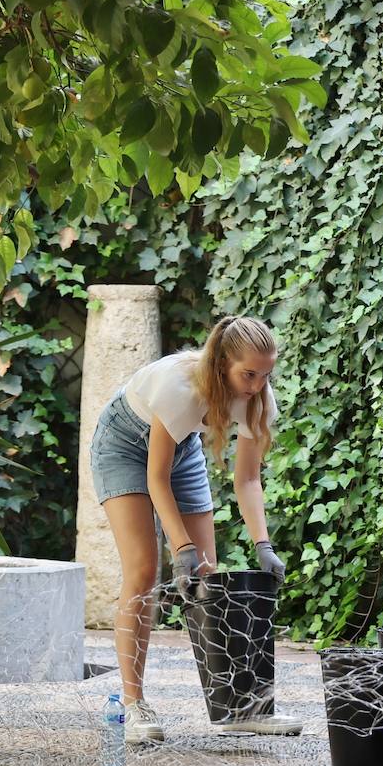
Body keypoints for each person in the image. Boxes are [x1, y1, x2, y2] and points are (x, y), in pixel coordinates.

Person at [89, 315, 302, 742]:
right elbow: (155, 480)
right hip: (123, 446)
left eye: (266, 374)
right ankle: (133, 705)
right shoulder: (179, 388)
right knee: (144, 570)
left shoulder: (257, 397)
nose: (258, 384)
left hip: (179, 449)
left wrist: (264, 545)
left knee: (207, 576)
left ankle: (240, 707)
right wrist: (180, 547)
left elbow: (247, 479)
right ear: (222, 362)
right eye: (249, 374)